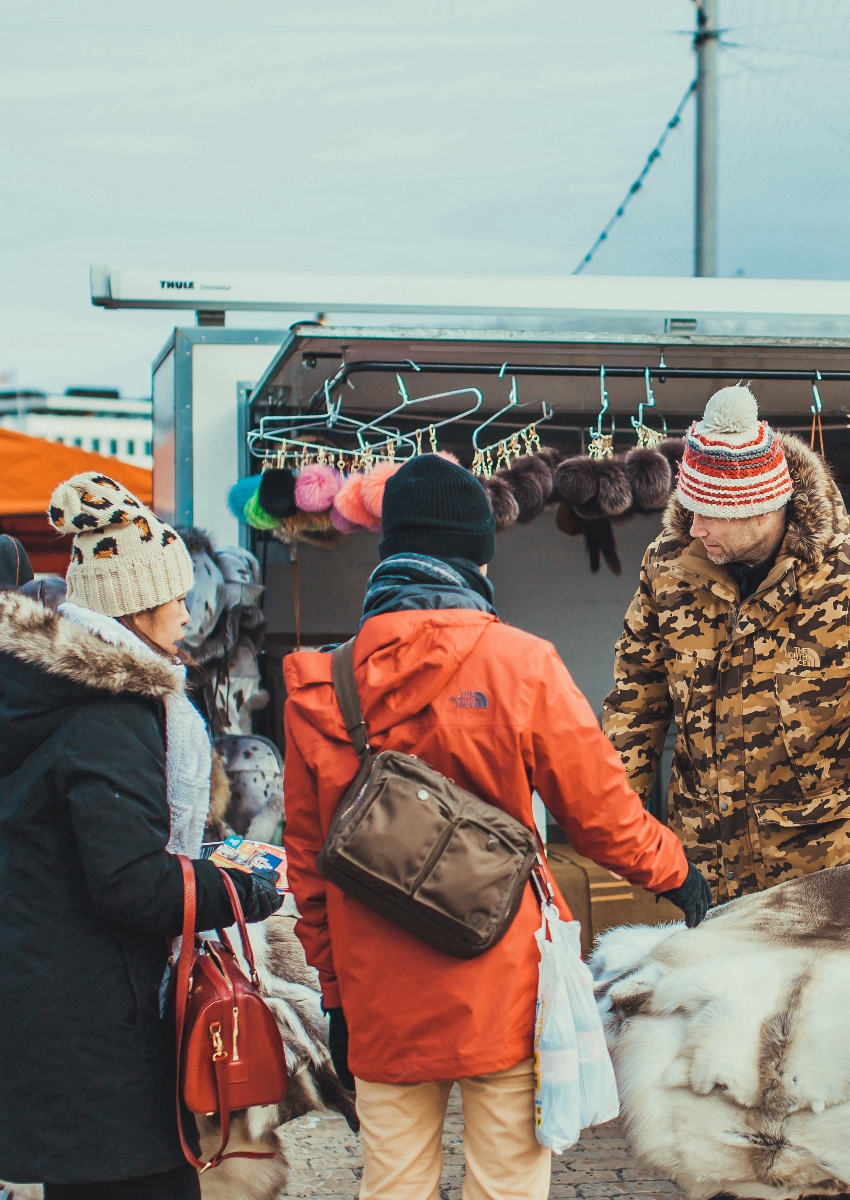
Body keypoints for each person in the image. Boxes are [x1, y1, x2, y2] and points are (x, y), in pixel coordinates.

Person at [282, 454, 704, 1200]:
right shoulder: (522, 665)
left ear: (391, 553)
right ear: (479, 552)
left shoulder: (323, 683)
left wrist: (334, 994)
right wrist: (676, 873)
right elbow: (601, 814)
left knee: (393, 1186)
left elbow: (309, 865)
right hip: (501, 985)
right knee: (507, 1183)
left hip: (379, 991)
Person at [0, 472, 282, 1200]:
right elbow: (132, 881)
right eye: (174, 595)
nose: (187, 612)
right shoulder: (106, 711)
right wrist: (243, 889)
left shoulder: (41, 692)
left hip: (50, 1011)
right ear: (135, 604)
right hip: (97, 1036)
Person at [603, 385, 850, 900]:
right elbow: (636, 693)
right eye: (688, 507)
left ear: (761, 509)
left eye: (710, 512)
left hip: (831, 874)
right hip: (705, 866)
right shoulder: (670, 566)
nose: (694, 526)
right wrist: (622, 822)